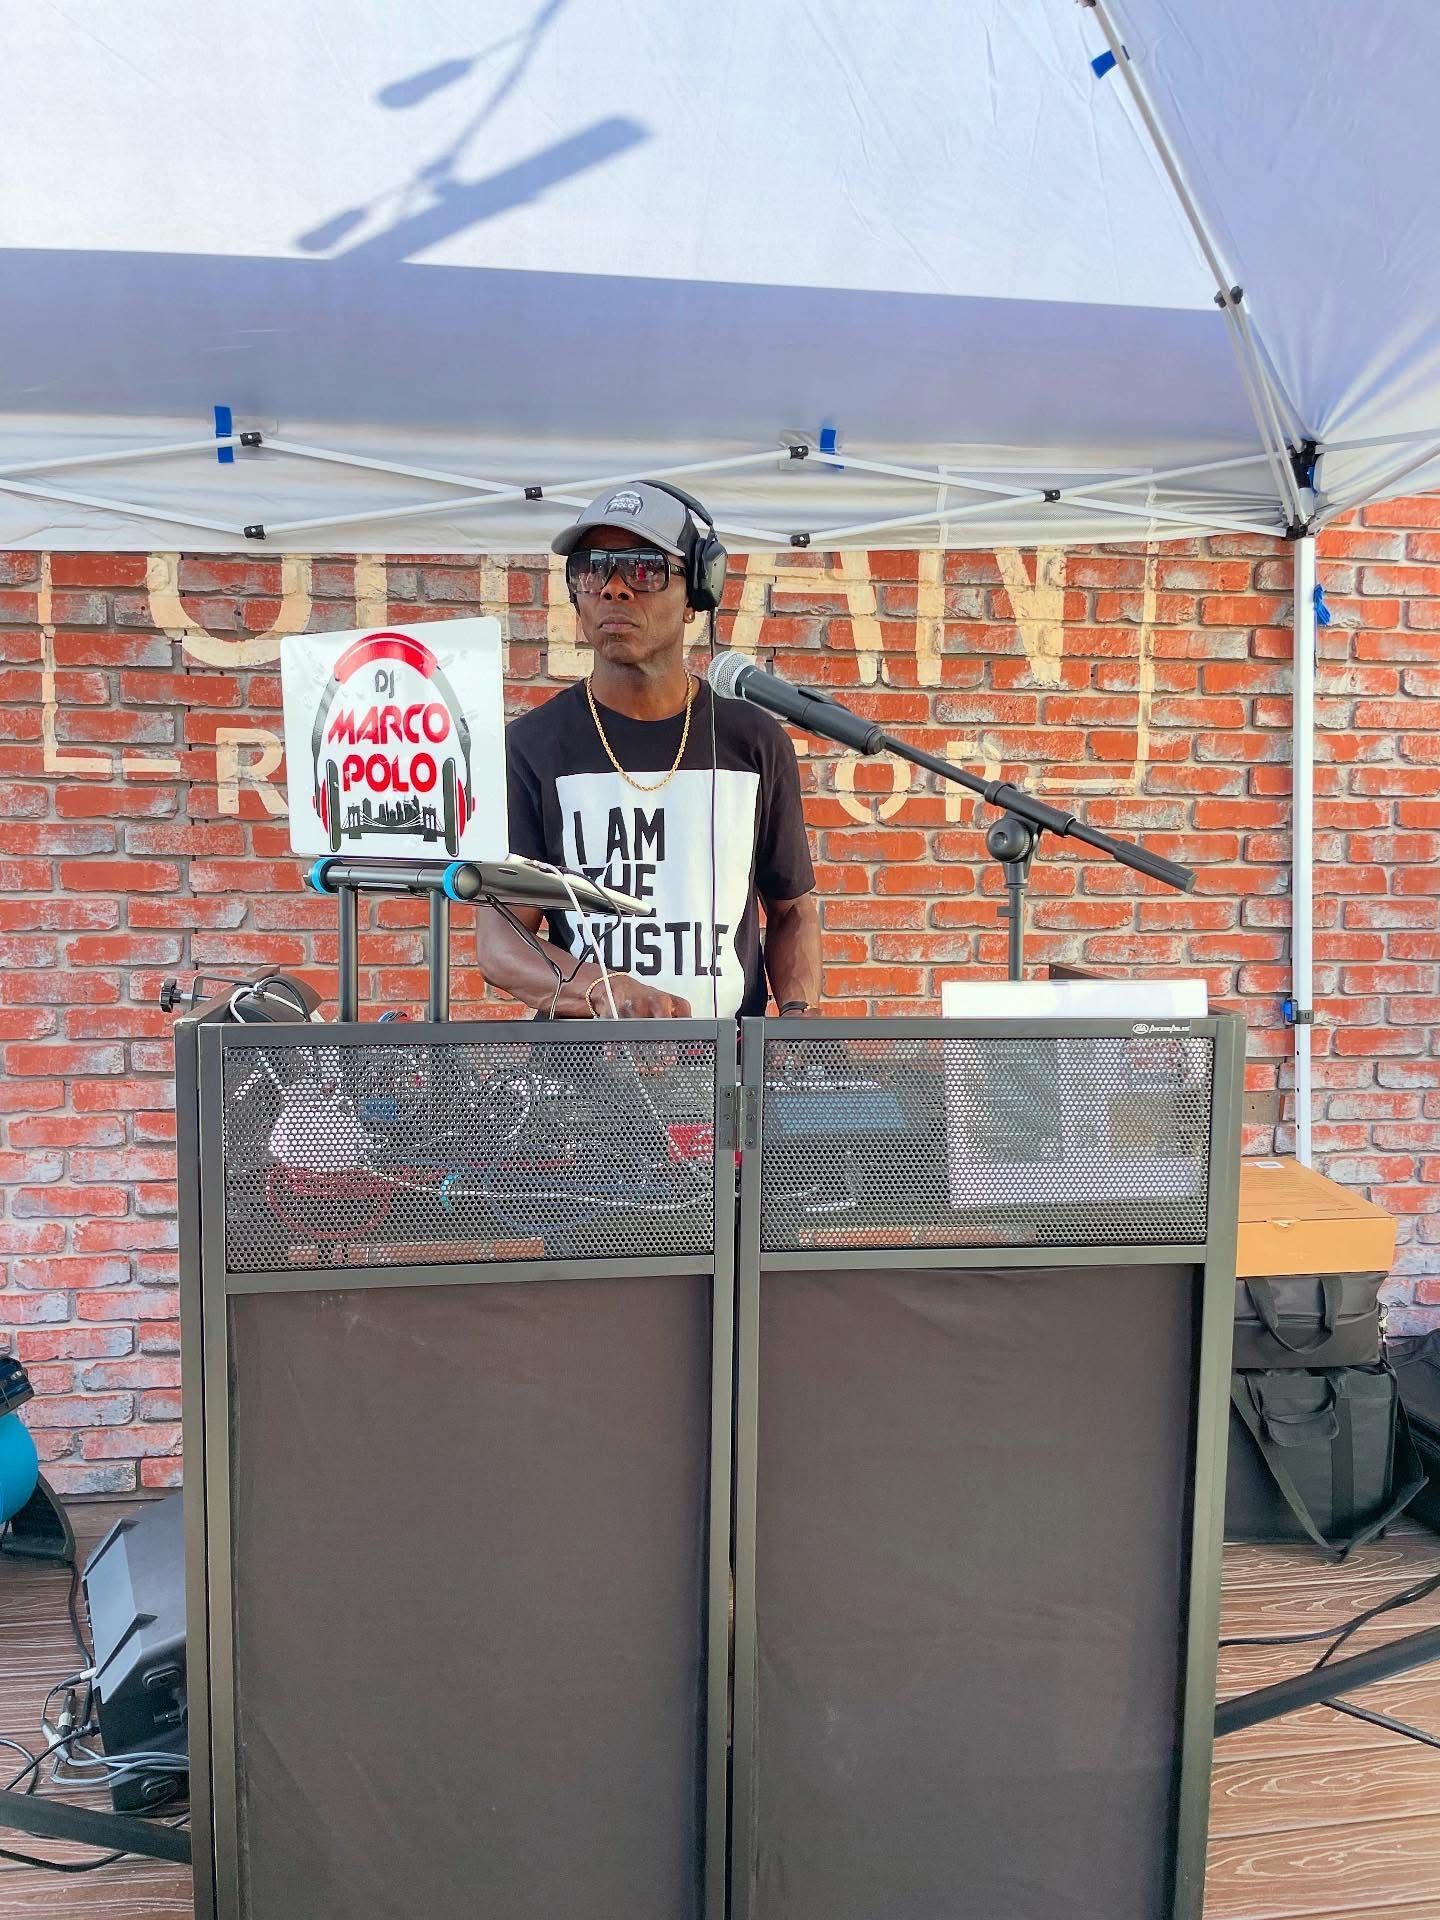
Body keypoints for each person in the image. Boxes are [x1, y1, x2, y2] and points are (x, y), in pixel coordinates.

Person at [476, 481, 821, 1019]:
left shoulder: (753, 741)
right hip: (586, 1085)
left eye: (643, 568)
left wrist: (798, 1024)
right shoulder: (532, 746)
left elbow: (792, 908)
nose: (614, 589)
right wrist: (603, 990)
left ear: (696, 596)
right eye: (593, 569)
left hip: (729, 1075)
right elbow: (501, 942)